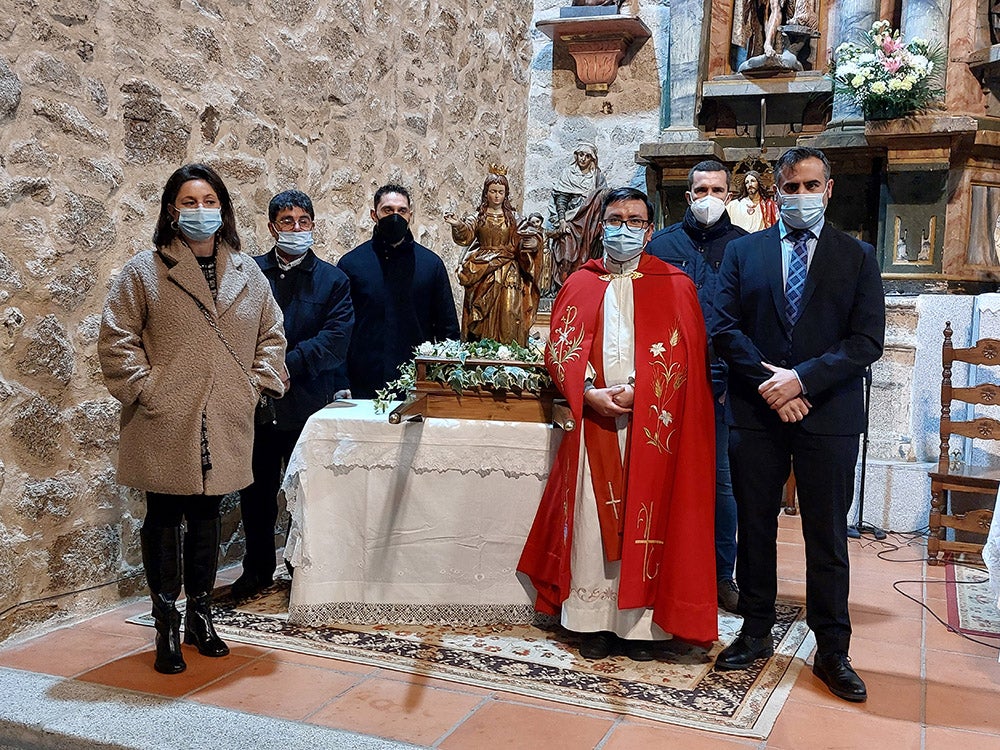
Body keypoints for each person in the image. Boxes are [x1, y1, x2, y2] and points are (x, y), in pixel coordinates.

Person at [712, 147, 885, 702]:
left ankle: (832, 648)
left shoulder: (857, 256)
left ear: (829, 190)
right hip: (757, 411)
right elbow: (723, 326)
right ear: (776, 191)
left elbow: (865, 342)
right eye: (791, 186)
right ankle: (756, 630)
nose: (801, 196)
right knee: (756, 526)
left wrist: (802, 381)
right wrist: (774, 385)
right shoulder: (744, 252)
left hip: (828, 413)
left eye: (812, 186)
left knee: (827, 535)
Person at [99, 163, 287, 675]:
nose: (200, 210)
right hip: (164, 418)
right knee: (163, 518)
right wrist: (148, 390)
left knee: (208, 517)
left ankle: (200, 618)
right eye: (189, 201)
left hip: (224, 416)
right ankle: (165, 623)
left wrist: (255, 386)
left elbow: (272, 336)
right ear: (170, 210)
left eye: (209, 201)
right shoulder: (145, 270)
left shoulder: (248, 274)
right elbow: (117, 340)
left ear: (223, 209)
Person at [518, 187, 718, 662]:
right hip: (595, 425)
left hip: (655, 429)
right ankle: (591, 621)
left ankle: (642, 627)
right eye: (614, 219)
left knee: (650, 518)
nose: (622, 228)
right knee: (592, 516)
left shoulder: (676, 283)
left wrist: (641, 391)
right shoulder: (579, 282)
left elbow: (687, 357)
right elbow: (561, 348)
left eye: (633, 220)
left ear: (649, 230)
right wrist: (589, 392)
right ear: (600, 224)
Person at [232, 190, 354, 600]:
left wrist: (291, 363)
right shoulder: (248, 273)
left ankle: (302, 568)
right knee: (257, 492)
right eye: (287, 221)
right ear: (272, 227)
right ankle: (257, 569)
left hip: (307, 402)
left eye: (304, 221)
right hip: (258, 400)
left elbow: (336, 339)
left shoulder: (334, 280)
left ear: (313, 226)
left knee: (308, 491)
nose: (296, 229)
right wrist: (264, 371)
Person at [646, 160, 748, 614]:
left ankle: (720, 575)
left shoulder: (745, 248)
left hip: (721, 387)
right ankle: (658, 567)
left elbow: (747, 319)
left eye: (717, 189)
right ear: (688, 196)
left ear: (729, 195)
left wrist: (731, 377)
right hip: (665, 383)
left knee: (721, 486)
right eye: (701, 189)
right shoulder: (662, 245)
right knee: (661, 475)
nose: (709, 197)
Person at [336, 184, 460, 399]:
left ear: (410, 215)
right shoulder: (351, 264)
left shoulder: (431, 265)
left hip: (417, 384)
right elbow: (340, 328)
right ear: (374, 215)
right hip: (362, 384)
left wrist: (446, 381)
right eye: (388, 210)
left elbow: (447, 330)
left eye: (401, 211)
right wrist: (340, 381)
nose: (395, 216)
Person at [446, 170, 542, 346]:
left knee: (510, 309)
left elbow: (527, 235)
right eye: (493, 191)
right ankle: (483, 349)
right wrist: (457, 224)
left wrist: (533, 244)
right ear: (486, 192)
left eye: (500, 192)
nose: (496, 196)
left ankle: (510, 350)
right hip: (482, 268)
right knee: (483, 313)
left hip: (509, 269)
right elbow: (466, 236)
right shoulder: (478, 217)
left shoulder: (514, 218)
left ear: (505, 194)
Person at [550, 143, 608, 289]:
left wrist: (597, 197)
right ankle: (564, 284)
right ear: (576, 156)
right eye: (580, 155)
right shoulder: (568, 173)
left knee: (590, 247)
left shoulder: (597, 176)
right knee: (566, 248)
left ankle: (583, 282)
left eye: (587, 156)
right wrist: (562, 220)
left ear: (592, 159)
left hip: (590, 221)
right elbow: (562, 198)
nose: (583, 159)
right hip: (571, 217)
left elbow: (604, 198)